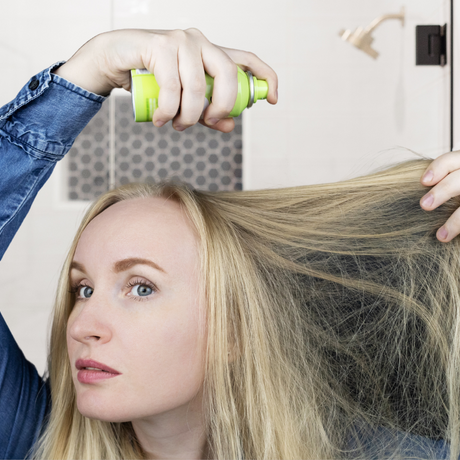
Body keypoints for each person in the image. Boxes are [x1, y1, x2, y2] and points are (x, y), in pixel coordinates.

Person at [0, 27, 458, 460]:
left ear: (234, 326)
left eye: (141, 287)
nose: (82, 327)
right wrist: (88, 70)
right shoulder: (35, 439)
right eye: (83, 289)